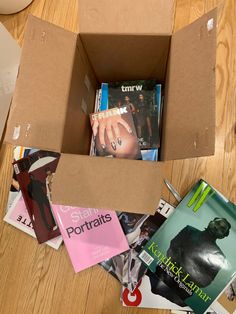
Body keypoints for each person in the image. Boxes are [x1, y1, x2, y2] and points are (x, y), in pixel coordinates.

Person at [149, 217, 231, 306]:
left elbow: (205, 281)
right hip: (161, 275)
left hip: (180, 293)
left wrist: (182, 260)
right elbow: (172, 250)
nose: (217, 227)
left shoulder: (220, 257)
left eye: (222, 229)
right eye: (217, 223)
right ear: (211, 222)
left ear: (223, 236)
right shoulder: (189, 230)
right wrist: (192, 270)